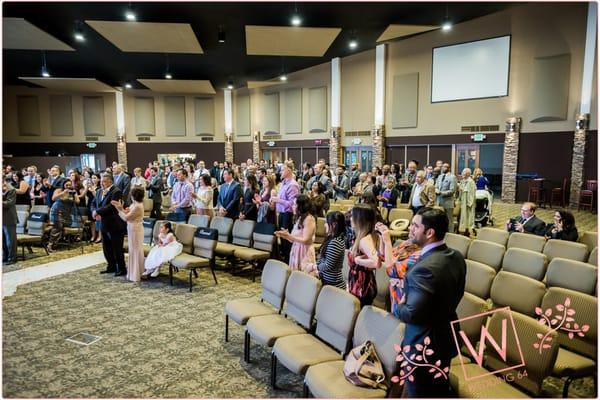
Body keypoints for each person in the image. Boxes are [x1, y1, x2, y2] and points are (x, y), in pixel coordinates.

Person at [378, 207, 466, 397]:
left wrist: (398, 305)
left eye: (416, 226)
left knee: (420, 392)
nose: (410, 228)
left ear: (429, 233)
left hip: (424, 343)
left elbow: (412, 313)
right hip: (445, 336)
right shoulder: (456, 257)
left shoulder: (423, 268)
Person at [347, 204, 384, 307]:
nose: (350, 219)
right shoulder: (371, 236)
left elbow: (377, 263)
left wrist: (358, 261)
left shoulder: (364, 240)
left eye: (352, 216)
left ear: (359, 220)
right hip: (362, 282)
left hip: (362, 286)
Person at [92, 173, 127, 276]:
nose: (102, 183)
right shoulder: (98, 191)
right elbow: (93, 203)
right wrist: (94, 211)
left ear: (110, 182)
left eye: (104, 181)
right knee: (106, 247)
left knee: (117, 248)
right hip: (103, 223)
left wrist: (97, 212)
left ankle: (121, 268)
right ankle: (111, 266)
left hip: (114, 224)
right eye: (101, 181)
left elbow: (111, 207)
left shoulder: (116, 191)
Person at [304, 211, 347, 289]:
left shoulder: (336, 241)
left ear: (334, 225)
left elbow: (328, 265)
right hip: (326, 280)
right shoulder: (331, 237)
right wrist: (317, 269)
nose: (325, 225)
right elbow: (322, 258)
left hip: (333, 284)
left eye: (327, 222)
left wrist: (314, 267)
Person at [111, 187, 145, 283]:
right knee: (133, 249)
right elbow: (127, 211)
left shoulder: (138, 206)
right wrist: (121, 207)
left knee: (135, 250)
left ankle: (136, 274)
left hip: (135, 229)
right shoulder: (135, 204)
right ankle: (135, 272)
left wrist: (118, 210)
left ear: (133, 195)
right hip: (132, 228)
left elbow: (126, 217)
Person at [275, 194, 316, 271]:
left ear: (301, 206)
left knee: (303, 276)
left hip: (304, 251)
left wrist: (289, 236)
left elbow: (305, 240)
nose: (293, 206)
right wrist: (285, 235)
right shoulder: (299, 218)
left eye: (295, 204)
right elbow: (294, 239)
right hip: (296, 249)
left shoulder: (309, 219)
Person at [271, 163, 300, 263]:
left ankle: (289, 263)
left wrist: (278, 200)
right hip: (282, 214)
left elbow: (292, 204)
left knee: (287, 242)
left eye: (282, 170)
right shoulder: (283, 183)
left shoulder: (293, 185)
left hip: (288, 215)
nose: (280, 172)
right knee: (282, 240)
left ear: (289, 170)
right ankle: (285, 262)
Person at [46, 179, 80, 253]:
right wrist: (63, 193)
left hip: (67, 213)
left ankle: (57, 242)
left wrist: (73, 195)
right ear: (63, 184)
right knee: (58, 227)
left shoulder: (73, 191)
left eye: (69, 185)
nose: (68, 186)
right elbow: (53, 198)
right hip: (57, 211)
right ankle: (50, 245)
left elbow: (78, 201)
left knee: (64, 226)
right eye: (66, 185)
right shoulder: (59, 190)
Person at [435, 163, 457, 233]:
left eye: (444, 167)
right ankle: (442, 233)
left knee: (449, 219)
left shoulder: (452, 177)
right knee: (440, 219)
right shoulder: (440, 176)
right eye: (442, 167)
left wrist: (441, 193)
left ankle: (451, 234)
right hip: (439, 202)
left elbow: (452, 190)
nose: (442, 168)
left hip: (448, 202)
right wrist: (436, 190)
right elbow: (436, 186)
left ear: (448, 168)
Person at [458, 168, 476, 236]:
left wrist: (470, 203)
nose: (462, 174)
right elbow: (461, 190)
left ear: (468, 174)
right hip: (463, 201)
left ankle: (468, 229)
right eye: (462, 172)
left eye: (463, 172)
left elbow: (472, 193)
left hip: (468, 202)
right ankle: (464, 229)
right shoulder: (462, 181)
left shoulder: (471, 182)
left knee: (469, 216)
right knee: (463, 216)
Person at [3, 182, 17, 265]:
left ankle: (12, 258)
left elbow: (9, 203)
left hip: (9, 217)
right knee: (3, 240)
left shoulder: (11, 189)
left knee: (10, 240)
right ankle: (5, 256)